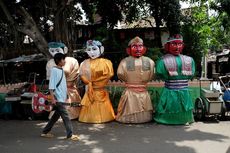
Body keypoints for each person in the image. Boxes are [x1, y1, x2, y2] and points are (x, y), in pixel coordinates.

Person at [154, 34, 195, 125]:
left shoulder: (189, 60)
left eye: (179, 44)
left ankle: (182, 119)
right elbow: (160, 73)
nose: (177, 47)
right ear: (168, 46)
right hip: (170, 90)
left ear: (183, 46)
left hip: (183, 90)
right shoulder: (162, 61)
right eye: (174, 44)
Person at [116, 36, 155, 123]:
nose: (138, 49)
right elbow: (120, 74)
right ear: (129, 49)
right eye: (134, 47)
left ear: (144, 48)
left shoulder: (149, 62)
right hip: (131, 92)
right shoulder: (124, 62)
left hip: (141, 91)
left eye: (140, 46)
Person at [41, 53, 79, 141]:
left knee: (55, 117)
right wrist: (53, 98)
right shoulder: (54, 70)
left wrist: (65, 93)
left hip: (61, 98)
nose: (64, 61)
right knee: (66, 117)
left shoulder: (61, 69)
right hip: (58, 99)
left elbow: (62, 84)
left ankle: (45, 132)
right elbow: (51, 86)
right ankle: (70, 135)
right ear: (58, 61)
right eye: (63, 59)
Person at [78, 40, 115, 123]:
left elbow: (108, 75)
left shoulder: (106, 62)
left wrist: (94, 82)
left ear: (101, 49)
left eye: (94, 49)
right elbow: (82, 75)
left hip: (100, 89)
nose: (92, 52)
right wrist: (88, 82)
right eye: (89, 50)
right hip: (90, 89)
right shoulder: (84, 63)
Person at [46, 42, 81, 120]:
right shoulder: (49, 63)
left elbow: (75, 74)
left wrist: (67, 84)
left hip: (69, 89)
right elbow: (49, 78)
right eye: (52, 51)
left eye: (57, 50)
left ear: (64, 50)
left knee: (68, 108)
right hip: (56, 90)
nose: (54, 53)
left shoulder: (72, 61)